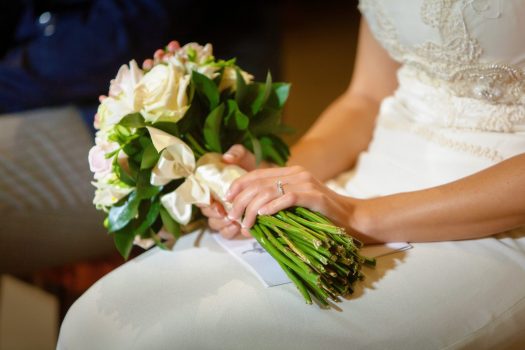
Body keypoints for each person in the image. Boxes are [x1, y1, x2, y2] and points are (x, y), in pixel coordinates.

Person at [58, 1, 525, 348]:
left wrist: (359, 216)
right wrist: (276, 181)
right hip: (374, 166)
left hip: (494, 211)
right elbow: (366, 98)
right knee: (97, 324)